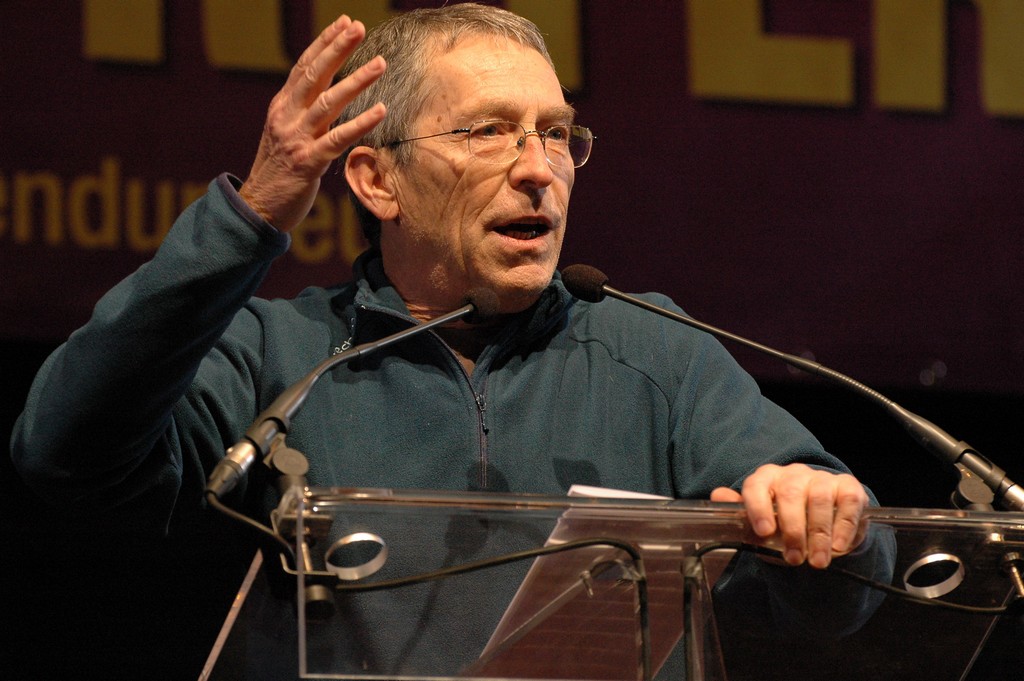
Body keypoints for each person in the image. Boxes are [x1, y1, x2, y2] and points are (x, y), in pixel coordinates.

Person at [10, 3, 891, 676]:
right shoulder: (282, 352)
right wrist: (250, 220)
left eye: (555, 133)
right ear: (376, 177)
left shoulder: (654, 351)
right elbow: (66, 453)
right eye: (487, 131)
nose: (537, 168)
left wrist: (826, 517)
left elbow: (847, 585)